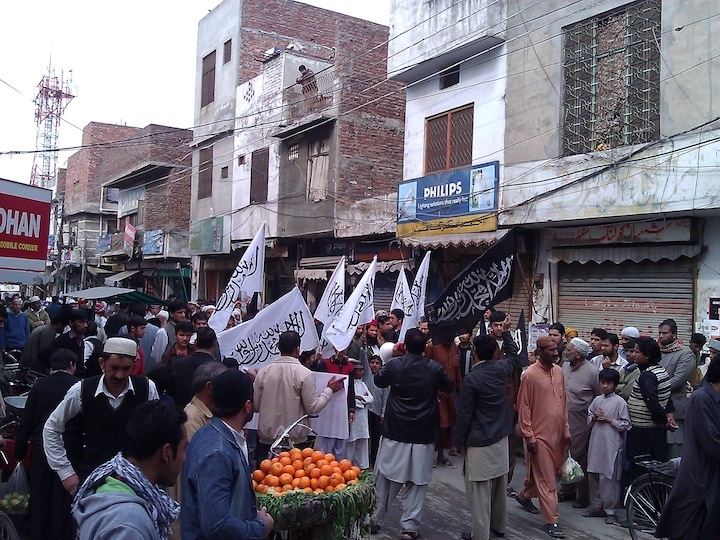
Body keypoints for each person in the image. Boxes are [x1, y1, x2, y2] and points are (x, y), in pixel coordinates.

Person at [43, 337, 160, 494]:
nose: (119, 375)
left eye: (126, 369)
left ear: (134, 365)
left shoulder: (146, 388)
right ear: (102, 363)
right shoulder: (81, 390)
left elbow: (158, 431)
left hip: (135, 482)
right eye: (114, 368)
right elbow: (51, 428)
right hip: (93, 481)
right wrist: (66, 473)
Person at [372, 328, 454, 540]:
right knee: (418, 482)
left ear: (405, 346)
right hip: (423, 433)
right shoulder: (434, 368)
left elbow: (378, 380)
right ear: (425, 347)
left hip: (395, 431)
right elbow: (449, 385)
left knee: (385, 480)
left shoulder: (394, 365)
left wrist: (394, 356)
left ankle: (372, 518)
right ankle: (409, 526)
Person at [72, 400, 187, 540]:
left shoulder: (111, 481)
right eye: (183, 449)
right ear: (167, 453)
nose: (184, 457)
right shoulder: (128, 525)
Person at [181, 370, 274, 538]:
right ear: (247, 406)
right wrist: (260, 527)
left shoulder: (215, 435)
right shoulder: (217, 453)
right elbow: (218, 525)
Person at [454, 332, 519, 540]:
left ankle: (481, 534)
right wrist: (507, 333)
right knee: (499, 486)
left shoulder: (472, 379)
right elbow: (513, 355)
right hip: (500, 437)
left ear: (474, 351)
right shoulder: (501, 368)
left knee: (479, 491)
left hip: (479, 440)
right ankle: (499, 526)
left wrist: (458, 442)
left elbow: (465, 414)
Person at [14, 349, 81, 540]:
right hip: (70, 451)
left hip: (41, 450)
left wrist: (19, 453)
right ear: (72, 365)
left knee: (40, 500)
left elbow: (26, 422)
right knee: (64, 502)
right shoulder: (79, 386)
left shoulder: (39, 386)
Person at [253, 330, 344, 461]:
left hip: (267, 442)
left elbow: (255, 407)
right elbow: (313, 408)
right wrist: (329, 390)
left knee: (265, 473)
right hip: (295, 444)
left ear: (279, 348)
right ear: (297, 350)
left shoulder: (263, 373)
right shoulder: (305, 374)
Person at [655, 356, 720, 540]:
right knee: (692, 524)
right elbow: (711, 440)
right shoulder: (701, 398)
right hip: (700, 471)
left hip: (712, 470)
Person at [514, 337, 571, 539]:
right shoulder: (530, 375)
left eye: (557, 349)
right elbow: (524, 407)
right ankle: (551, 521)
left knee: (545, 471)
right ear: (539, 352)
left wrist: (566, 430)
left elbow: (563, 403)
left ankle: (525, 496)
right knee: (548, 479)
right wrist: (529, 436)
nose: (556, 353)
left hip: (558, 434)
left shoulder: (559, 371)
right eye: (551, 350)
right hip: (539, 435)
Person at [558, 337, 601, 509]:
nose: (565, 352)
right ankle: (567, 489)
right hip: (563, 419)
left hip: (581, 422)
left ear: (578, 354)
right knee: (564, 455)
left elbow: (598, 396)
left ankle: (582, 495)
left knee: (579, 457)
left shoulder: (592, 372)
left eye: (568, 350)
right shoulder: (565, 366)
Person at [583, 368, 630, 525]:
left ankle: (611, 510)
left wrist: (609, 419)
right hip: (596, 443)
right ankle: (597, 506)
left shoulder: (620, 402)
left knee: (609, 478)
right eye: (602, 382)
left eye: (608, 383)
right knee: (593, 474)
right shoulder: (597, 400)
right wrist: (594, 418)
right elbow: (589, 416)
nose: (604, 386)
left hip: (611, 445)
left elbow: (626, 424)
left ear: (615, 385)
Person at [625, 337, 674, 479]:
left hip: (645, 433)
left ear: (647, 356)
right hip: (652, 431)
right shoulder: (660, 370)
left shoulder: (647, 376)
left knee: (643, 471)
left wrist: (664, 420)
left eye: (636, 352)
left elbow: (653, 403)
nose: (633, 355)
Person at [658, 318, 696, 458]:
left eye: (665, 333)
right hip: (657, 409)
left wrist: (654, 388)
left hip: (675, 409)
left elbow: (678, 380)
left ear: (674, 334)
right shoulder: (658, 352)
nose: (661, 336)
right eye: (660, 333)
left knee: (674, 452)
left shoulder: (685, 353)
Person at [424, 324, 461, 468]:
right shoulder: (432, 347)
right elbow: (426, 368)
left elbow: (456, 369)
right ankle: (431, 455)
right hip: (437, 392)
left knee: (450, 424)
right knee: (441, 424)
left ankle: (441, 455)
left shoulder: (454, 347)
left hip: (451, 392)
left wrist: (460, 386)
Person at [172, 327, 219, 407]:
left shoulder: (177, 364)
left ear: (195, 344)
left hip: (179, 410)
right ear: (215, 344)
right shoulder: (218, 369)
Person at [40, 309, 89, 377]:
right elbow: (43, 353)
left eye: (86, 322)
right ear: (71, 323)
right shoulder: (62, 340)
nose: (85, 325)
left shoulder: (81, 339)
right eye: (81, 322)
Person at [346, 358, 373, 470]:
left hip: (362, 417)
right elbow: (351, 400)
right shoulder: (348, 383)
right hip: (353, 416)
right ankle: (348, 464)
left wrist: (360, 398)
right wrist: (360, 399)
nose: (362, 372)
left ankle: (362, 465)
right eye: (359, 370)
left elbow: (371, 398)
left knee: (362, 440)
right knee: (351, 441)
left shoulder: (362, 384)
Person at [362, 352, 388, 465]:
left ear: (381, 365)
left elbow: (385, 398)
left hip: (377, 412)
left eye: (377, 363)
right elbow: (363, 359)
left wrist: (383, 413)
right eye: (372, 362)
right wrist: (364, 348)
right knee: (364, 436)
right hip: (365, 410)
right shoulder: (367, 375)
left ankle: (374, 460)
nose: (374, 365)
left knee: (376, 437)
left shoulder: (383, 379)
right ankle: (364, 460)